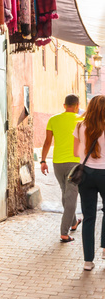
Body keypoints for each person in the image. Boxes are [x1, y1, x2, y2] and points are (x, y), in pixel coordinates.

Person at [40, 94, 82, 242]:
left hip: (57, 163)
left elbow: (47, 142)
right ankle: (64, 233)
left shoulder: (53, 120)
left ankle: (74, 222)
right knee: (70, 196)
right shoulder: (81, 120)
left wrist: (43, 161)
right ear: (77, 105)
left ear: (64, 106)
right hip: (75, 163)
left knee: (66, 193)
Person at [74, 95, 105, 271]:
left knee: (89, 216)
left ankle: (88, 261)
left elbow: (75, 151)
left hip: (85, 174)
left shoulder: (80, 126)